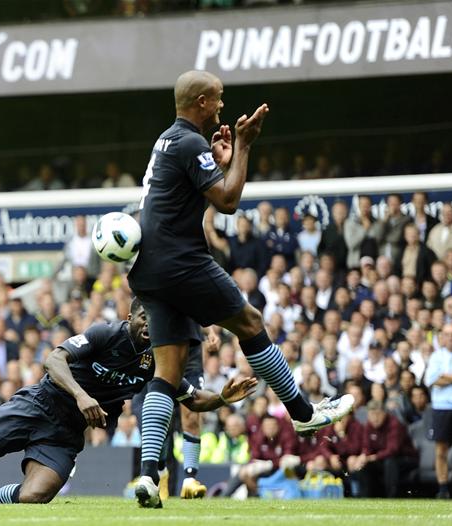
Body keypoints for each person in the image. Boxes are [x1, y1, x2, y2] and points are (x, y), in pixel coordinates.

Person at [124, 70, 353, 507]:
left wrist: (220, 160)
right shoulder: (190, 143)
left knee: (167, 375)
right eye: (220, 99)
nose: (224, 107)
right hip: (181, 261)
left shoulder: (168, 140)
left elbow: (191, 188)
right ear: (204, 101)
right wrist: (245, 147)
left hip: (147, 269)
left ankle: (150, 476)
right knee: (250, 322)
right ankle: (303, 415)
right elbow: (228, 201)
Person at [0, 299, 257, 505]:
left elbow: (190, 398)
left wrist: (223, 398)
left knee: (35, 496)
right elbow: (53, 359)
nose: (149, 325)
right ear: (130, 315)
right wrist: (82, 396)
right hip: (39, 404)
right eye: (144, 317)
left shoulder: (157, 361)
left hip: (65, 433)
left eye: (155, 321)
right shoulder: (104, 333)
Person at [423, 323, 452, 499]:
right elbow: (430, 380)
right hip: (441, 407)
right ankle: (442, 488)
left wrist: (443, 376)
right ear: (442, 337)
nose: (450, 338)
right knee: (441, 449)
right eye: (447, 335)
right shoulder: (436, 356)